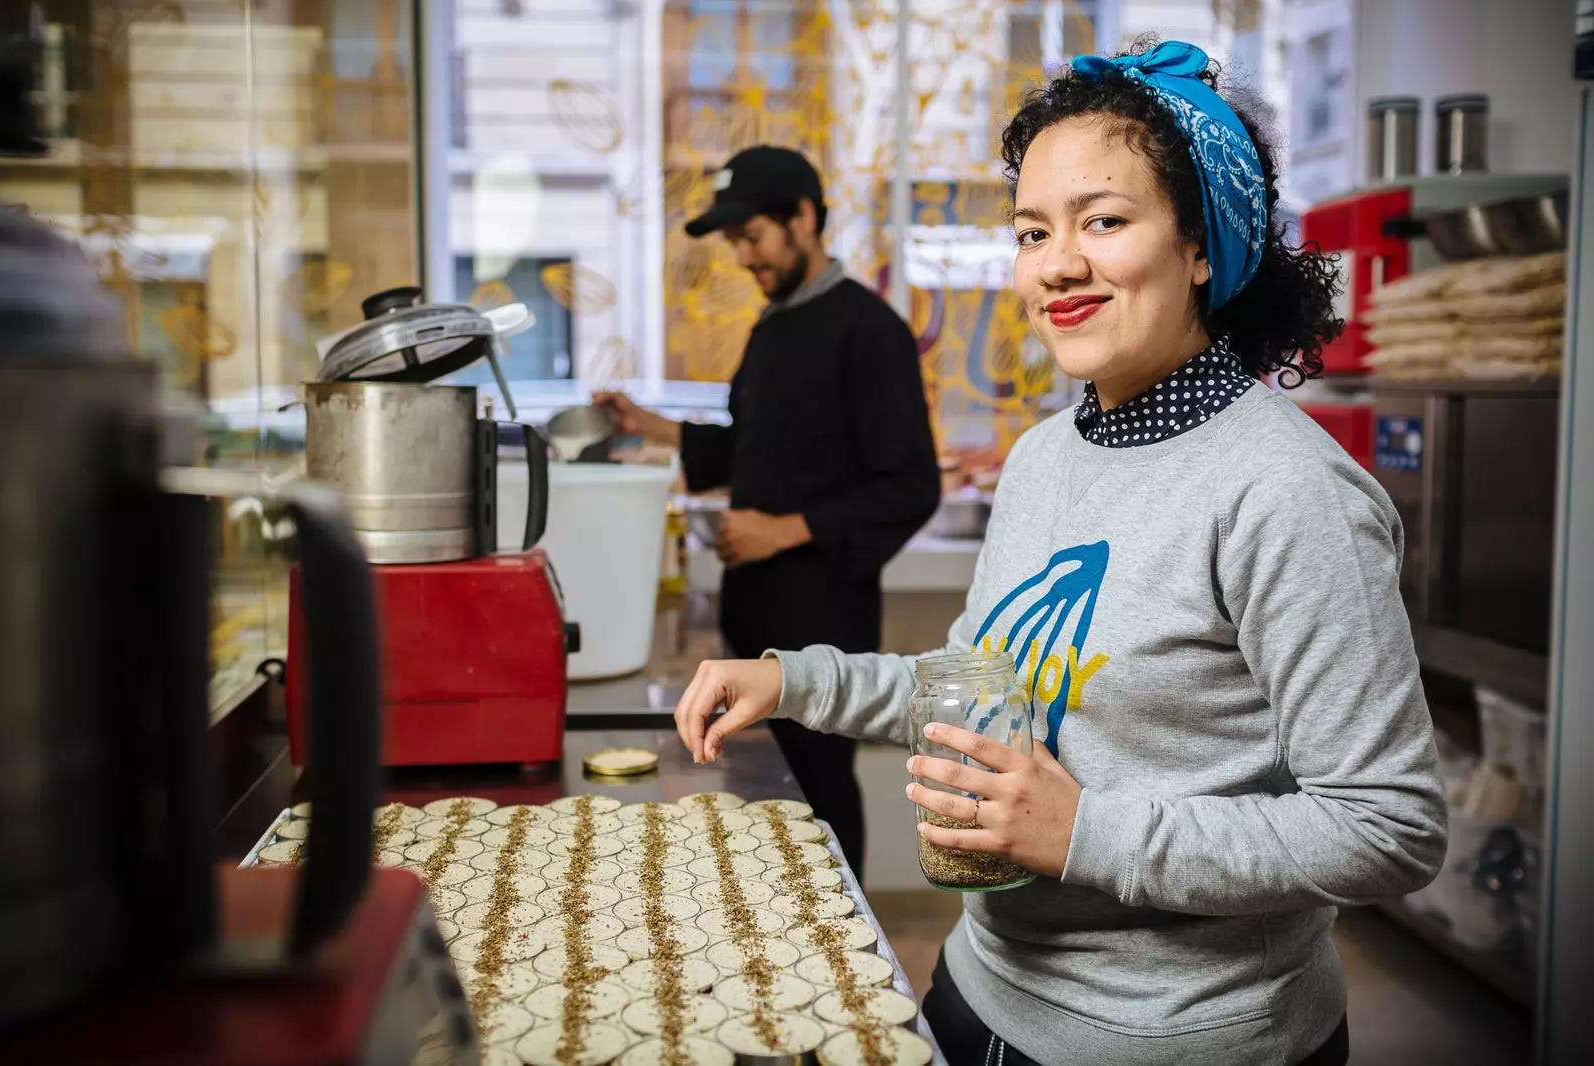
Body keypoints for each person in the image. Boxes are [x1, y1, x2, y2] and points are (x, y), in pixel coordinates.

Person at [671, 41, 1447, 1066]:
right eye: (1033, 230)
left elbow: (1387, 824)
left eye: (1105, 220)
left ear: (1203, 246)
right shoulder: (1043, 458)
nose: (1056, 264)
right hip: (979, 990)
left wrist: (1082, 831)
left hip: (1177, 1038)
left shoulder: (1283, 492)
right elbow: (977, 688)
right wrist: (789, 679)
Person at [598, 145, 941, 883]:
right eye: (735, 243)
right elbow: (753, 448)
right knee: (761, 798)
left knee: (816, 796)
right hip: (753, 618)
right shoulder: (774, 326)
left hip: (824, 622)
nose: (743, 257)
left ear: (804, 219)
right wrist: (648, 424)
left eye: (752, 236)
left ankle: (842, 939)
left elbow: (911, 486)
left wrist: (780, 529)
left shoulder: (869, 331)